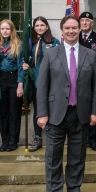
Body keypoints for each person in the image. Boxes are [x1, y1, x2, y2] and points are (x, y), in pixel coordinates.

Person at [36, 15, 96, 192]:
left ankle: (74, 189)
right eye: (67, 28)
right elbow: (42, 86)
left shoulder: (90, 54)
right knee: (53, 157)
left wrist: (95, 112)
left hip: (80, 113)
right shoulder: (51, 53)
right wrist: (42, 113)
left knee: (77, 156)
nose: (71, 31)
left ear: (79, 30)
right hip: (55, 115)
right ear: (62, 31)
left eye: (74, 28)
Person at [22, 16, 60, 152]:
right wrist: (24, 65)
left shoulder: (54, 42)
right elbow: (23, 57)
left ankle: (52, 137)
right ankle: (37, 138)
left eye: (42, 25)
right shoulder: (30, 43)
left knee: (52, 110)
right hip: (35, 80)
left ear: (47, 26)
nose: (39, 28)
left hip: (51, 81)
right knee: (38, 110)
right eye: (37, 25)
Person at [0, 19, 24, 152]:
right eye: (2, 29)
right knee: (2, 111)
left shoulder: (18, 45)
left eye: (7, 29)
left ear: (12, 30)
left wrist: (20, 84)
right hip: (1, 79)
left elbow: (21, 66)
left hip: (14, 78)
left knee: (14, 111)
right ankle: (5, 140)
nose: (5, 31)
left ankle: (13, 140)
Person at [78, 11, 96, 151]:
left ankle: (93, 140)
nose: (84, 23)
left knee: (94, 108)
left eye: (87, 21)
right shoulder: (74, 37)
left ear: (92, 23)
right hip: (77, 79)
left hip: (94, 78)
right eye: (82, 20)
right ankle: (80, 138)